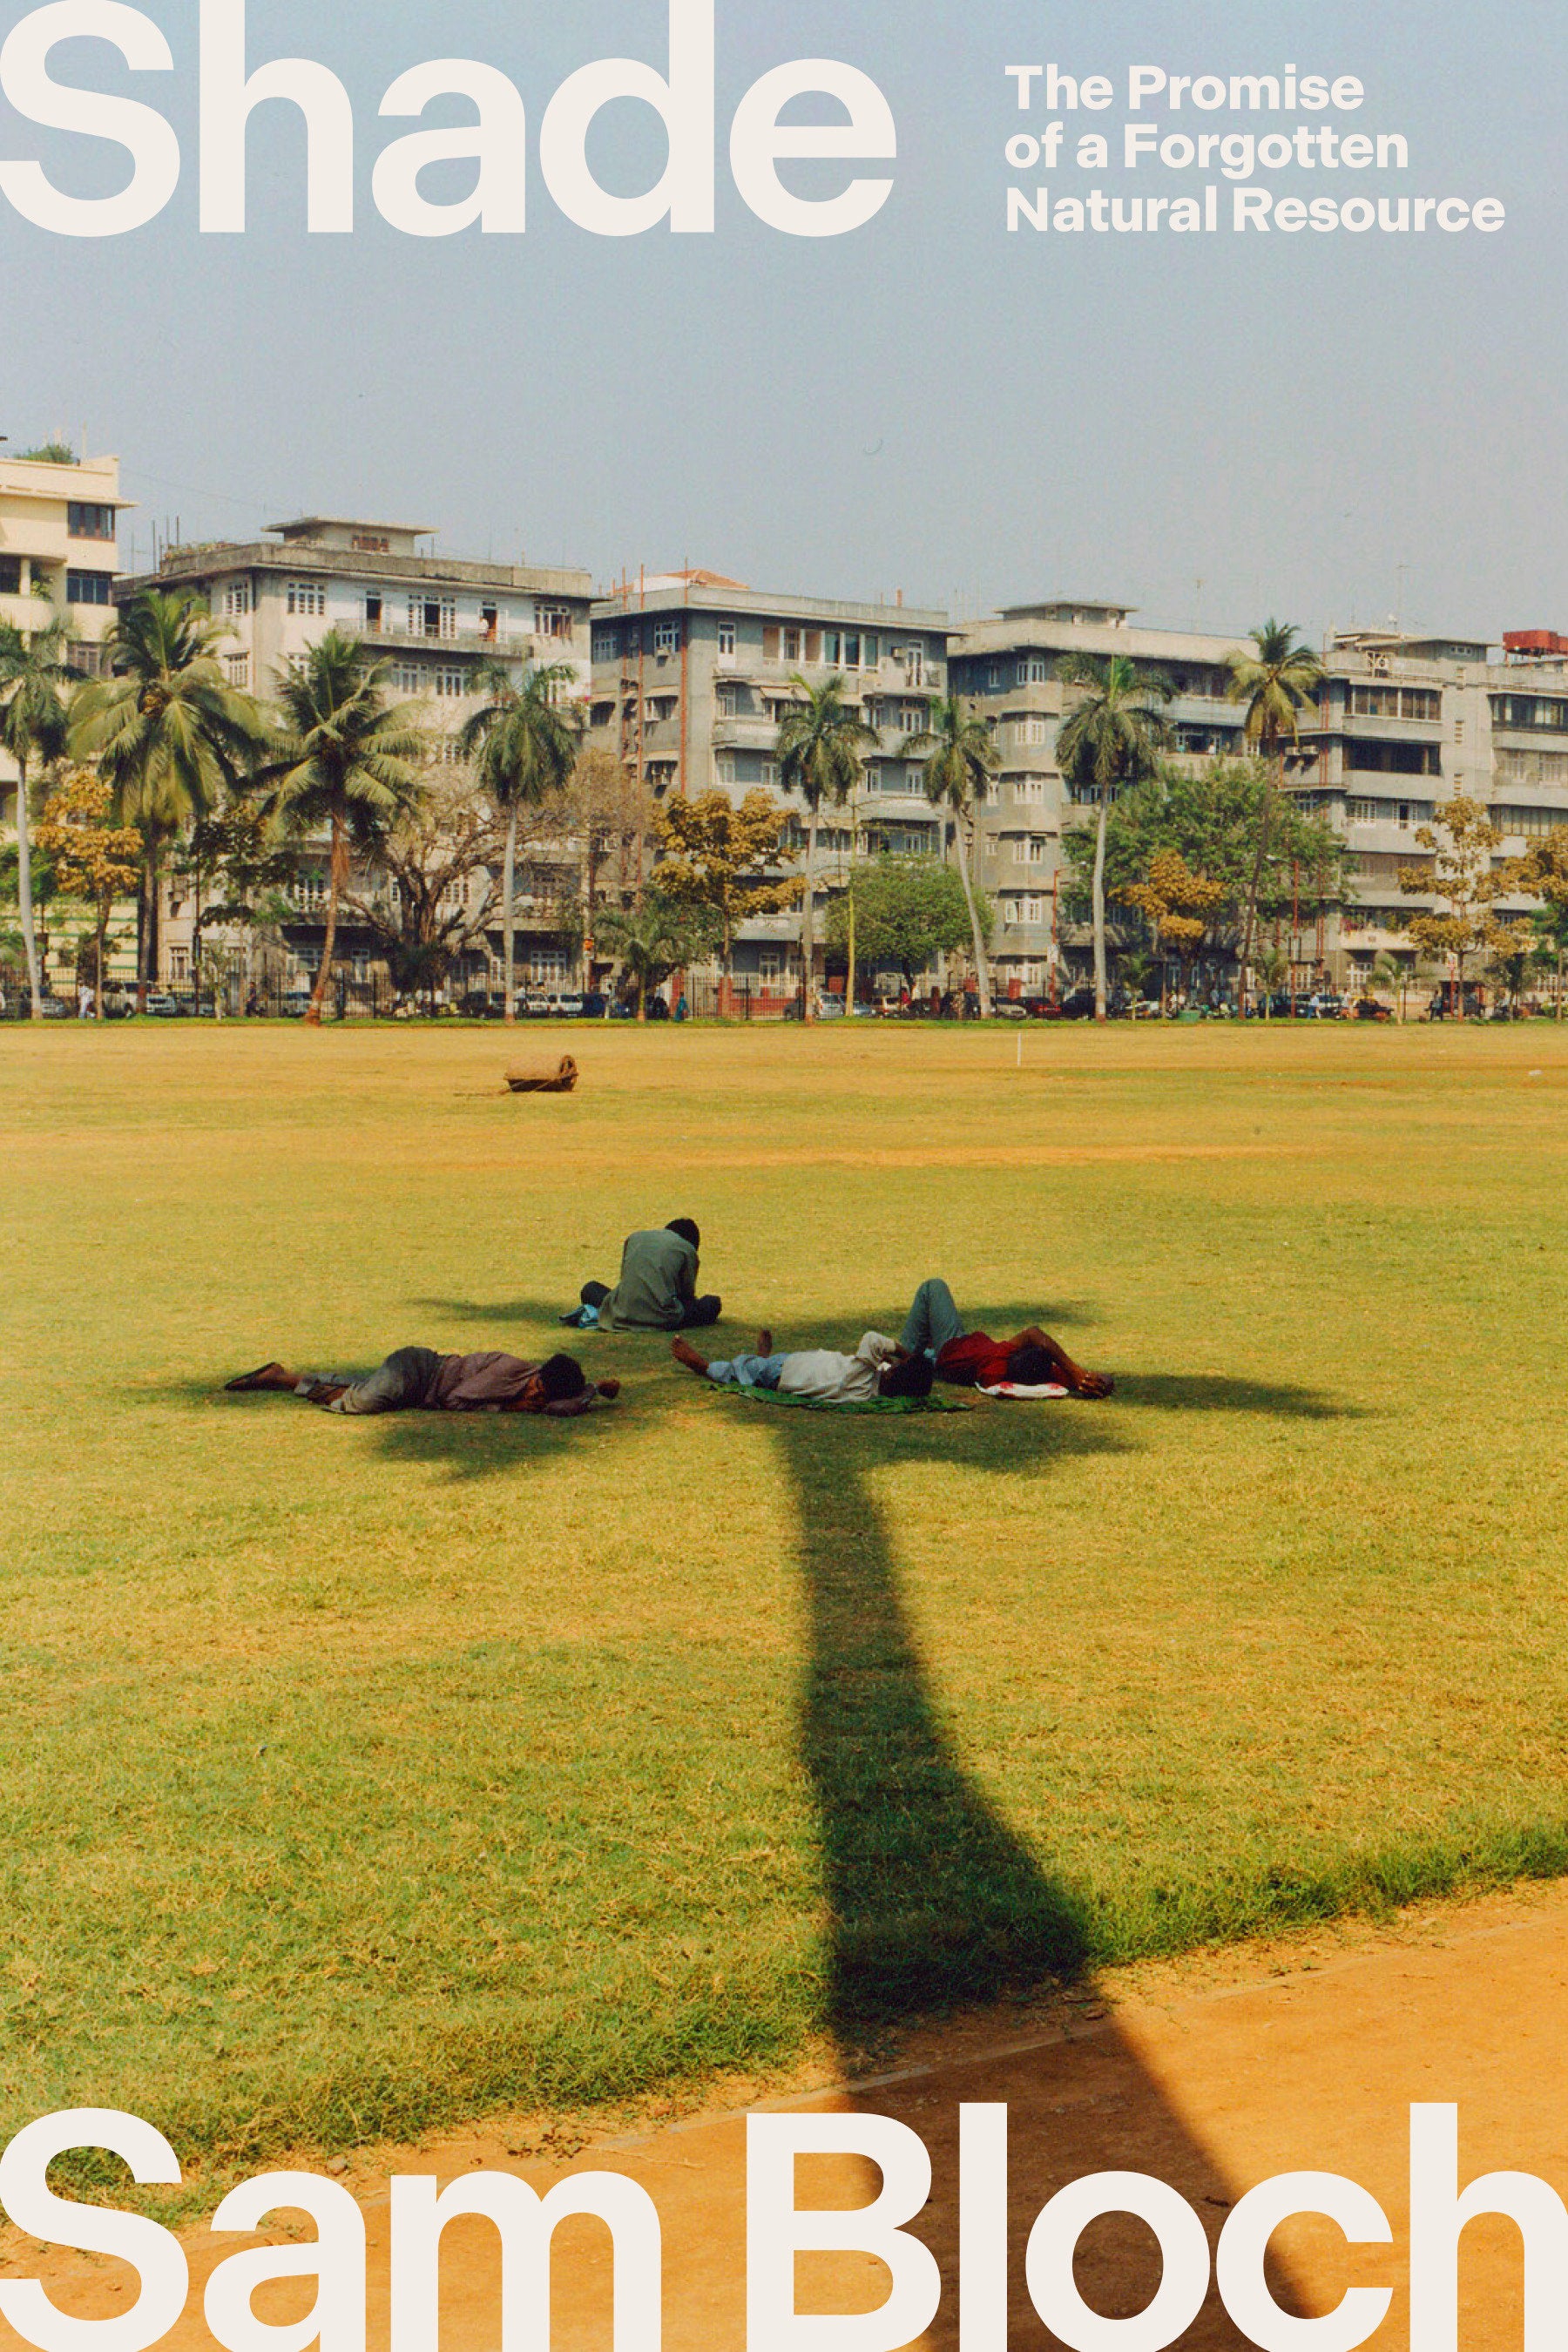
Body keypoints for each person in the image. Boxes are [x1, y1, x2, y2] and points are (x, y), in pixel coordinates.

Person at [224, 1348, 618, 1417]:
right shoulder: (511, 1372)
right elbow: (457, 1399)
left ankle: (281, 1377)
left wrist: (596, 1390)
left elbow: (560, 1407)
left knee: (362, 1391)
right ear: (535, 1375)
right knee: (363, 1401)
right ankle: (281, 1380)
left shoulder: (545, 1390)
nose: (535, 1397)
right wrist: (508, 1406)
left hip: (418, 1386)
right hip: (419, 1370)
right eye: (537, 1389)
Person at [900, 1277, 1114, 1398]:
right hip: (947, 1353)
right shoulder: (1044, 1374)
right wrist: (1091, 1380)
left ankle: (903, 1357)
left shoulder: (998, 1361)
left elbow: (1034, 1334)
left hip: (949, 1344)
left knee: (933, 1287)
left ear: (1015, 1353)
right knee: (929, 1344)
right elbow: (1105, 1380)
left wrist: (1076, 1370)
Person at [671, 1328, 935, 1405]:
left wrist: (904, 1353)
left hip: (786, 1370)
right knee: (761, 1367)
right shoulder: (870, 1392)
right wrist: (892, 1364)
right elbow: (886, 1370)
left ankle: (703, 1366)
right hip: (794, 1370)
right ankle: (762, 1357)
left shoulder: (863, 1374)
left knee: (742, 1369)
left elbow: (872, 1339)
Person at [572, 1219, 721, 1331]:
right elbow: (687, 1295)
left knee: (591, 1288)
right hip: (662, 1317)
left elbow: (626, 1279)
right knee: (712, 1302)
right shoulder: (686, 1248)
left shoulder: (635, 1238)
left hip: (620, 1312)